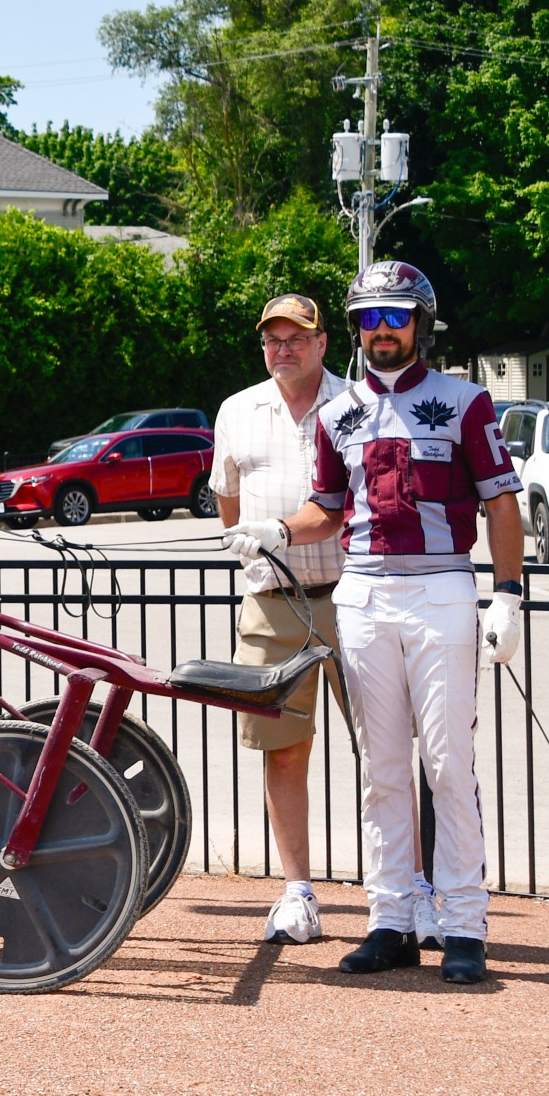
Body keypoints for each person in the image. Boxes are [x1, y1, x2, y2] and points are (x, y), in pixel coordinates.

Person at [223, 261, 522, 986]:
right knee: (381, 768)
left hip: (441, 590)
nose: (381, 330)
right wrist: (274, 531)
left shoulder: (467, 401)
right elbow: (327, 506)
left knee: (448, 765)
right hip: (364, 596)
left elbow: (502, 504)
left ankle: (463, 925)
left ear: (420, 323)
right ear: (355, 328)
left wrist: (508, 595)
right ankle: (389, 920)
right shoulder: (338, 413)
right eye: (368, 318)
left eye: (394, 316)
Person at [211, 294, 351, 945]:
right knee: (283, 752)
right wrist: (253, 547)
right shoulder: (238, 410)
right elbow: (228, 503)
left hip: (359, 599)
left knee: (383, 751)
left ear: (324, 343)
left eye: (297, 337)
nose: (284, 348)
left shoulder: (359, 405)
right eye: (273, 339)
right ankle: (298, 893)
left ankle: (404, 893)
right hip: (273, 605)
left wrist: (275, 532)